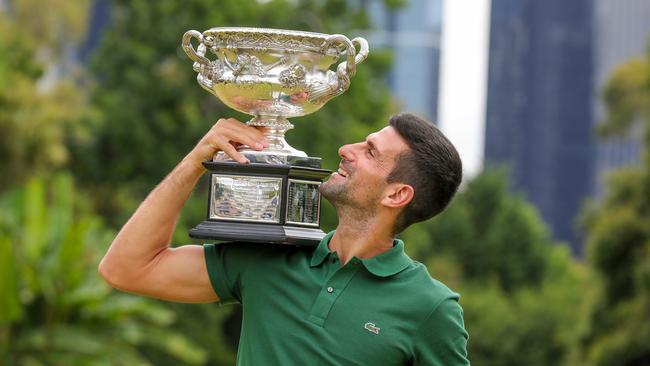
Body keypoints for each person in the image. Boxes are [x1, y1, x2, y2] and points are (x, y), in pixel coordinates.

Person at [99, 112, 469, 365]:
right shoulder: (268, 256)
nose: (346, 150)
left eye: (370, 152)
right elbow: (126, 269)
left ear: (397, 195)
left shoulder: (431, 308)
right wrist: (197, 160)